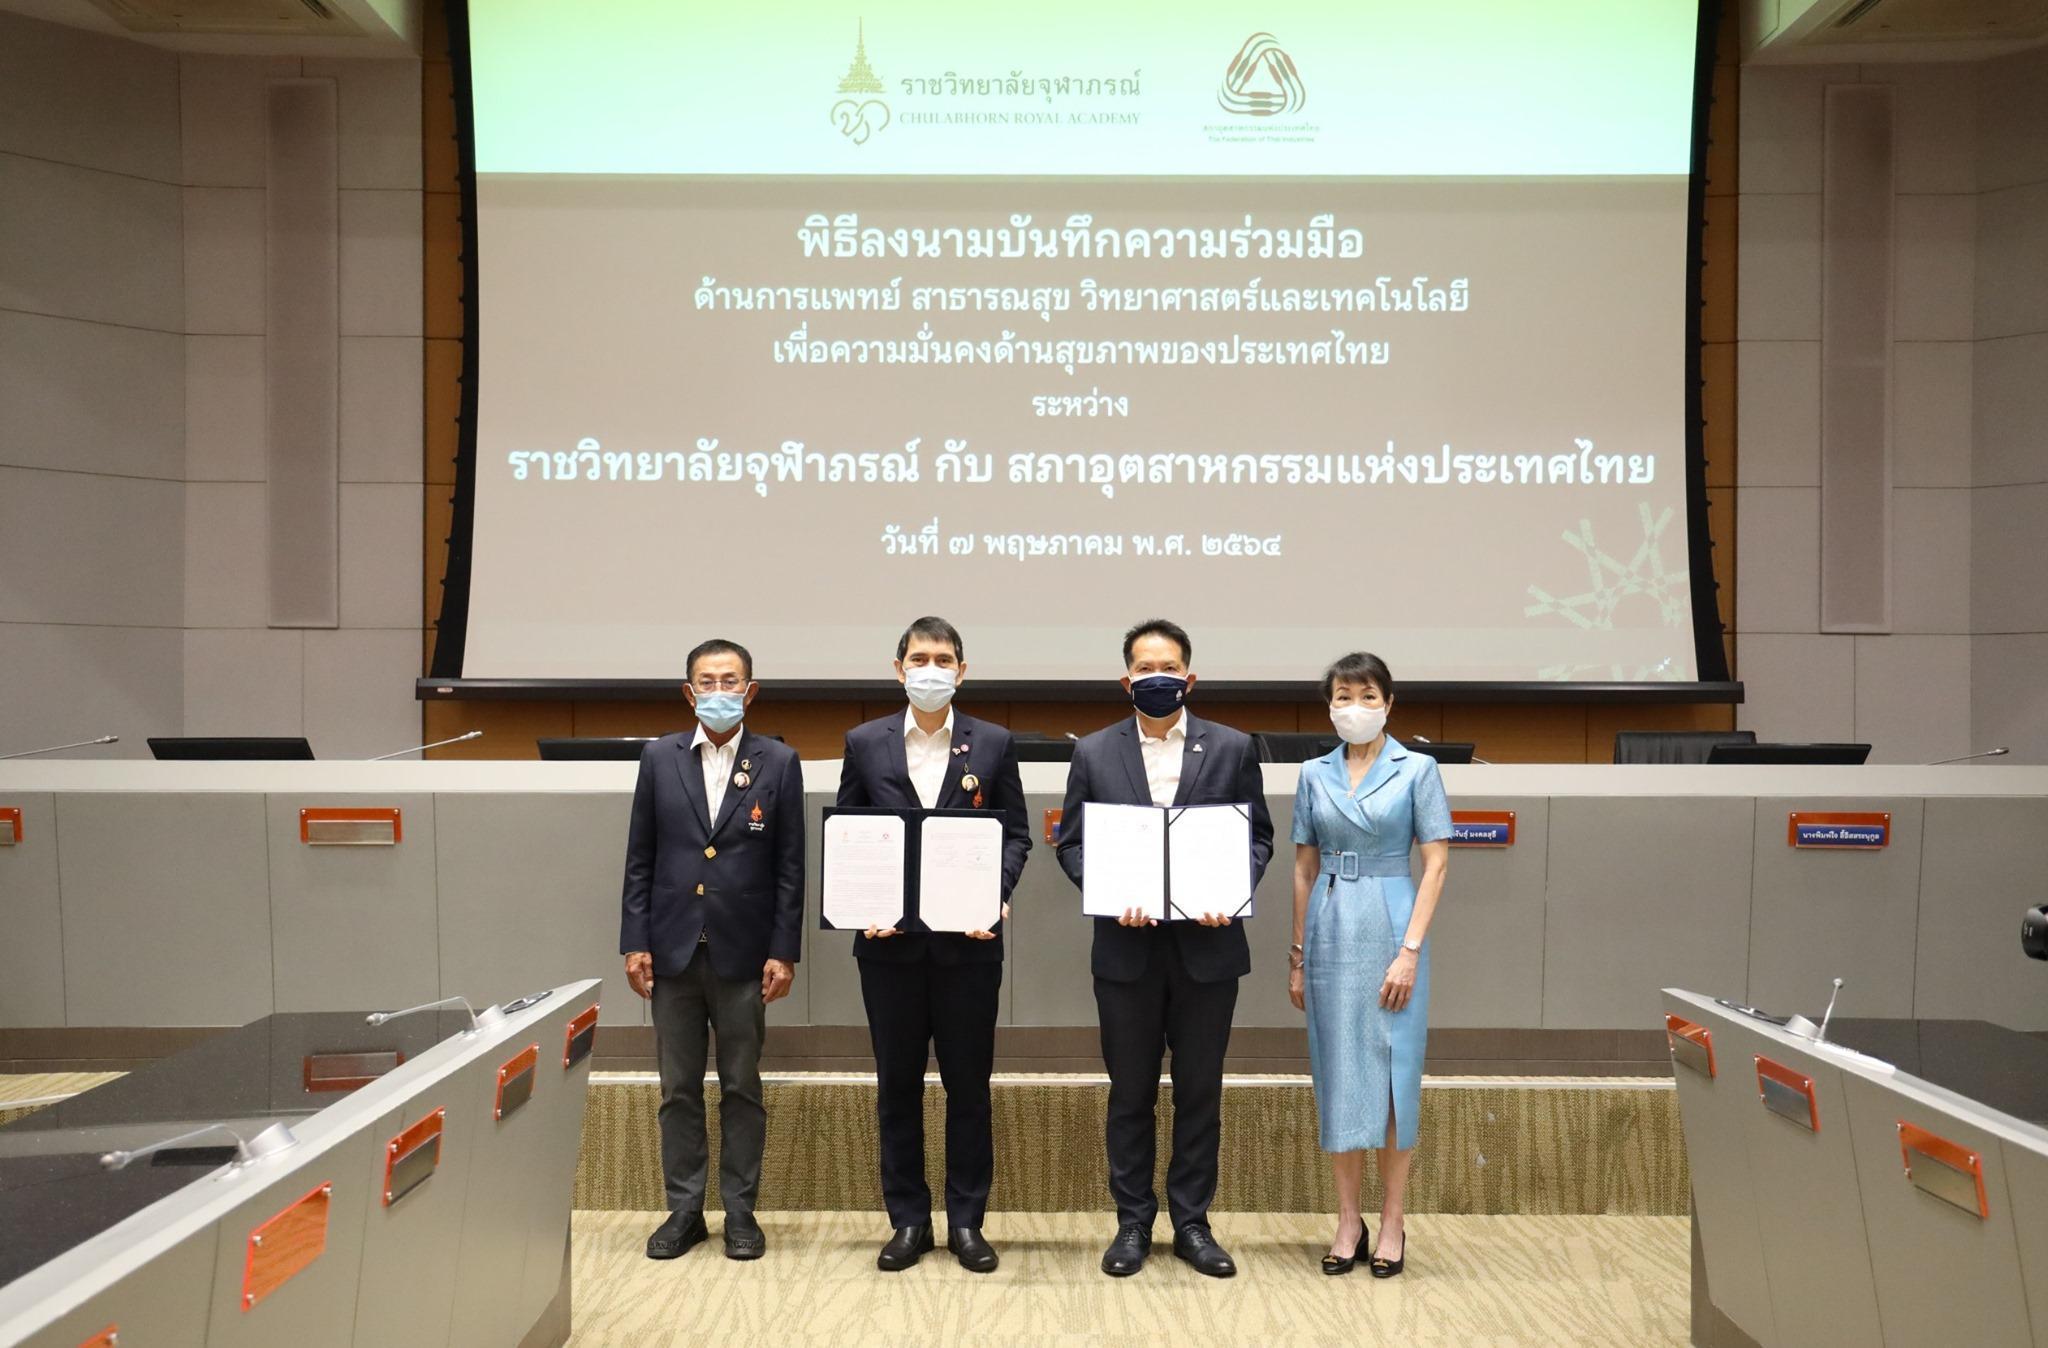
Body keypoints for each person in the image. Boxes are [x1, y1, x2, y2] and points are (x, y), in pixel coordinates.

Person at [1056, 618, 1274, 1278]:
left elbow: (1257, 838)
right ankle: (1132, 1223)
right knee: (1130, 1094)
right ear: (1126, 681)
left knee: (1199, 1093)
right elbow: (1072, 843)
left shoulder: (1232, 747)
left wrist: (1231, 889)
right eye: (1146, 668)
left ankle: (1192, 1224)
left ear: (1190, 677)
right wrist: (1106, 889)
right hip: (1126, 952)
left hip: (1209, 950)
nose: (1159, 677)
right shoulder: (1095, 752)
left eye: (1169, 667)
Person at [837, 616, 1032, 1273]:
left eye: (943, 659)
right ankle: (909, 1221)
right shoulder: (865, 742)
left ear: (962, 671)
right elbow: (849, 834)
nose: (931, 669)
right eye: (919, 658)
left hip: (968, 948)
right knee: (897, 1088)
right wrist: (862, 904)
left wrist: (994, 894)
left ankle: (967, 1221)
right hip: (888, 950)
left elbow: (1016, 835)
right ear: (899, 669)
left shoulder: (994, 742)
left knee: (968, 1088)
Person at [620, 638, 805, 1262]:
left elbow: (790, 867)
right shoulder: (658, 757)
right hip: (671, 949)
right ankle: (684, 1210)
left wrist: (784, 949)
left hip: (745, 953)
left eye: (730, 681)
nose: (719, 690)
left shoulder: (779, 761)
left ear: (750, 692)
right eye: (707, 680)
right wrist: (634, 941)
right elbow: (640, 857)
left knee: (741, 1085)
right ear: (689, 691)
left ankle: (741, 1210)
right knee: (677, 1087)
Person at [1286, 652, 1450, 1278]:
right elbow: (1303, 868)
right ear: (1328, 704)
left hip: (1391, 922)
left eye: (1368, 696)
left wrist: (1409, 951)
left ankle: (1392, 1218)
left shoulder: (1418, 768)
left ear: (1388, 703)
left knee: (1391, 1074)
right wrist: (1297, 955)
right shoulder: (1313, 773)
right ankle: (1348, 1218)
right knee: (1338, 1071)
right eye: (1343, 696)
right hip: (1329, 924)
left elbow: (1435, 863)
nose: (1354, 707)